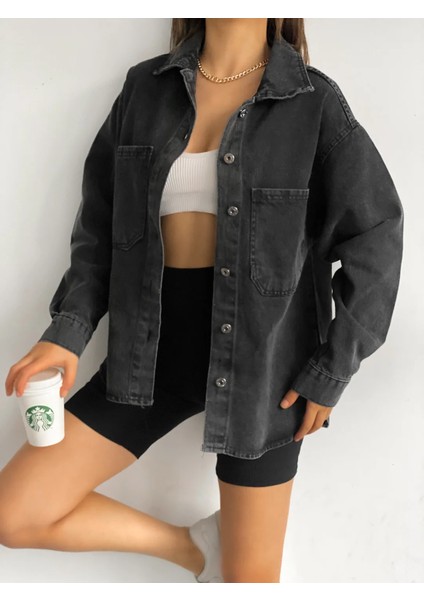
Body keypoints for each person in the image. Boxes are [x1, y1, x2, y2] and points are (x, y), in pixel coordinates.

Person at [1, 18, 404, 583]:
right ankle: (196, 549)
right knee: (14, 513)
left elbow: (377, 236)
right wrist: (67, 332)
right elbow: (100, 228)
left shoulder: (313, 102)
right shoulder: (145, 89)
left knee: (250, 584)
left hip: (264, 376)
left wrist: (331, 369)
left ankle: (225, 556)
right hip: (148, 360)